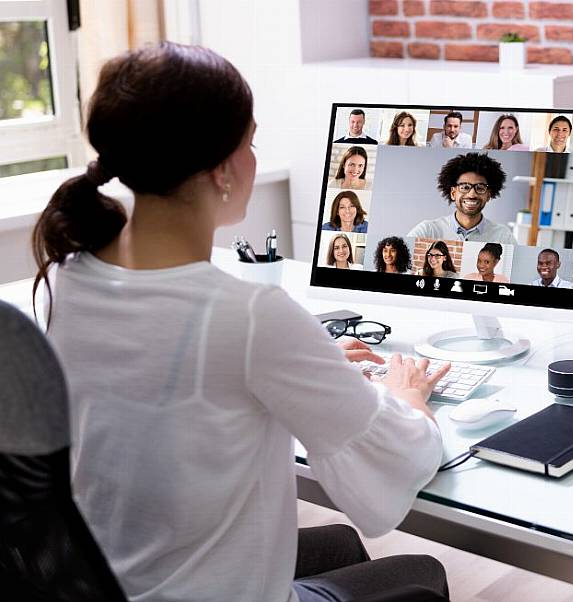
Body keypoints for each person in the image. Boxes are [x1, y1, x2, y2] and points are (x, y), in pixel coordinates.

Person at [29, 42, 450, 602]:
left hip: (107, 580)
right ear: (222, 169)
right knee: (419, 575)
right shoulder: (250, 318)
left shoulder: (64, 278)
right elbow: (392, 459)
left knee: (343, 545)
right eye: (251, 142)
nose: (254, 156)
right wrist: (409, 399)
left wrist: (308, 366)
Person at [408, 152, 518, 245]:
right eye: (465, 187)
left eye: (480, 188)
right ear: (453, 193)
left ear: (488, 195)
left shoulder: (503, 236)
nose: (472, 194)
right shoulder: (428, 231)